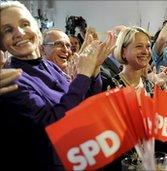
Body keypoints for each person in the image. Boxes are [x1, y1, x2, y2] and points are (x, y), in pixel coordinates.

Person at [0, 1, 114, 169]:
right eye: (7, 30)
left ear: (37, 30)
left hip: (79, 156)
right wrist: (83, 75)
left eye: (25, 24)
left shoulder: (49, 65)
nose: (19, 33)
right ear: (2, 42)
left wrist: (94, 68)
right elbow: (54, 126)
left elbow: (83, 104)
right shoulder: (11, 78)